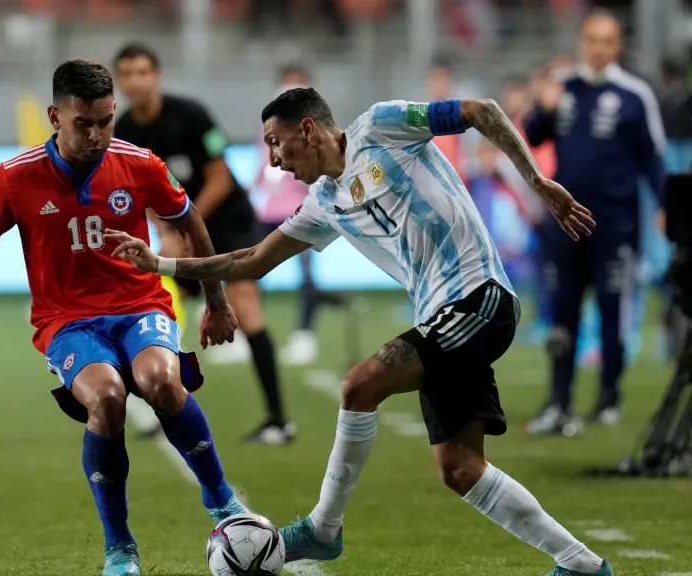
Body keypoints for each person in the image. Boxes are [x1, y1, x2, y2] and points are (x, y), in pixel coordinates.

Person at [106, 88, 612, 576]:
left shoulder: (383, 126)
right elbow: (254, 260)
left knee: (359, 384)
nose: (274, 160)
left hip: (480, 298)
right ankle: (583, 564)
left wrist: (537, 182)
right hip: (439, 319)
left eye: (275, 143)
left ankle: (324, 529)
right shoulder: (323, 202)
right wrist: (161, 263)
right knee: (459, 467)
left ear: (308, 128)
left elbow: (481, 110)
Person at [0, 58, 247, 576]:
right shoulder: (15, 178)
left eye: (106, 121)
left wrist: (217, 302)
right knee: (106, 399)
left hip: (139, 306)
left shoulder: (139, 163)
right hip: (66, 321)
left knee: (160, 379)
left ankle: (223, 504)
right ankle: (120, 547)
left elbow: (192, 221)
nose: (97, 135)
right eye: (83, 123)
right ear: (54, 117)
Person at [112, 42, 293, 445]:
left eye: (143, 72)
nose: (136, 81)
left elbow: (221, 177)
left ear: (156, 76)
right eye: (127, 74)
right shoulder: (123, 131)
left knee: (245, 309)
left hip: (227, 221)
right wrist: (165, 231)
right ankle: (169, 405)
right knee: (155, 313)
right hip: (180, 230)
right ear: (119, 81)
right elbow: (137, 193)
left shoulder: (191, 115)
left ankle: (278, 420)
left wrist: (184, 230)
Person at [524, 10, 666, 434]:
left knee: (610, 312)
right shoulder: (562, 87)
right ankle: (560, 399)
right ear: (581, 42)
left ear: (617, 47)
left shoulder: (635, 95)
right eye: (591, 40)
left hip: (616, 226)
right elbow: (532, 135)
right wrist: (543, 109)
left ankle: (608, 398)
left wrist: (665, 209)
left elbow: (653, 160)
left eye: (606, 41)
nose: (598, 48)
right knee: (562, 312)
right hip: (566, 225)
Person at [253, 63, 343, 366]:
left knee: (305, 276)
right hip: (268, 210)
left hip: (302, 210)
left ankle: (305, 335)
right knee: (251, 268)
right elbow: (261, 168)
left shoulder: (314, 128)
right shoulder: (266, 126)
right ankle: (245, 330)